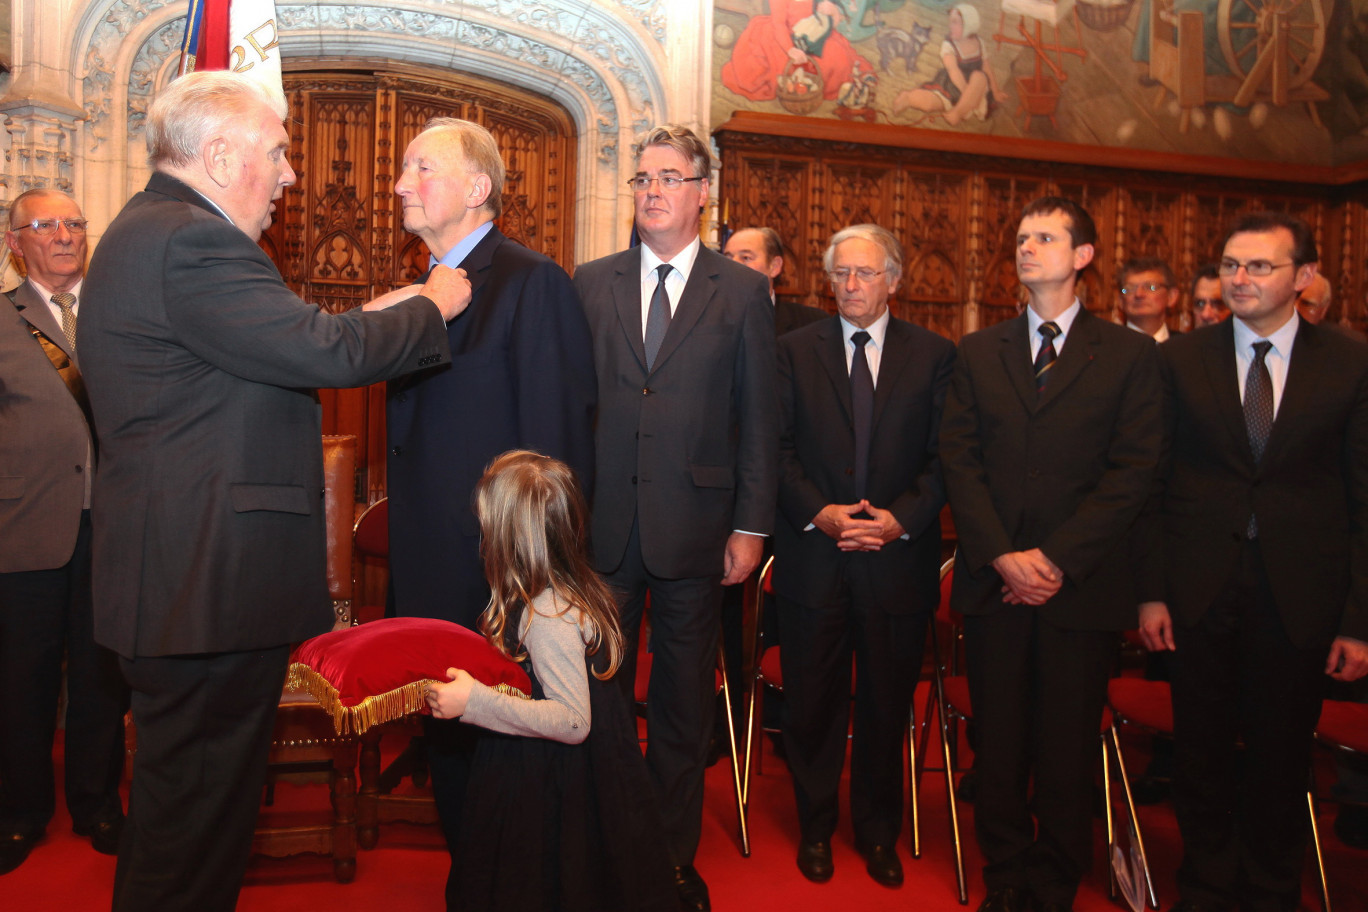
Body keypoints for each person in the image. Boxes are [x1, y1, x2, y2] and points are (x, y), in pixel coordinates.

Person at [78, 71, 469, 912]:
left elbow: (282, 348)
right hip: (201, 593)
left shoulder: (153, 234)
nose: (292, 174)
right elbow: (325, 353)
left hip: (185, 590)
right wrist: (431, 305)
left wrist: (373, 318)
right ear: (218, 156)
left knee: (186, 829)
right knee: (190, 846)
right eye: (279, 151)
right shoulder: (192, 240)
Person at [383, 118, 597, 907]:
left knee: (501, 766)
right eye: (403, 170)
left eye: (421, 168)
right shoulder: (422, 289)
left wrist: (542, 581)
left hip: (498, 583)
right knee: (450, 751)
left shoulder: (531, 282)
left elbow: (556, 450)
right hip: (429, 569)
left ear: (478, 188)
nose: (402, 184)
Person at [1136, 212, 1368, 912]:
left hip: (1301, 595)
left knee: (1281, 756)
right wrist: (1149, 594)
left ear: (1302, 278)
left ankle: (1271, 890)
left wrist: (1359, 621)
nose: (1240, 279)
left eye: (1259, 267)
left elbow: (1364, 496)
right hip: (1197, 588)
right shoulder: (1180, 359)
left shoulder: (1351, 361)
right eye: (1231, 265)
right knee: (1199, 755)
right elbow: (1150, 483)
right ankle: (1204, 887)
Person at [574, 123, 778, 912]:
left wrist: (752, 526)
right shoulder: (591, 282)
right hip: (605, 527)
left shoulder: (740, 291)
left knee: (684, 704)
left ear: (701, 193)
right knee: (600, 695)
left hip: (700, 530)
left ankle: (668, 861)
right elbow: (575, 404)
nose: (651, 190)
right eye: (641, 178)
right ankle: (607, 842)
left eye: (668, 177)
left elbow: (760, 418)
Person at [940, 197, 1162, 912]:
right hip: (996, 584)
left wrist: (1055, 560)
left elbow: (1133, 471)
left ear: (1084, 256)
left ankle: (1056, 874)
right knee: (999, 743)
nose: (1026, 248)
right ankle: (1005, 870)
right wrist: (1004, 557)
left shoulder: (1126, 354)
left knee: (1067, 745)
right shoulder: (980, 350)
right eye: (1021, 238)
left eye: (1044, 237)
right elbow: (960, 462)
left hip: (1081, 588)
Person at [773, 223, 955, 887]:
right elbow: (776, 448)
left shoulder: (935, 356)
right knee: (812, 705)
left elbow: (946, 458)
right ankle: (815, 828)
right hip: (814, 559)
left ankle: (879, 832)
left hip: (896, 564)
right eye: (841, 274)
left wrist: (899, 520)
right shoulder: (793, 351)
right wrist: (815, 513)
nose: (851, 286)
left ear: (894, 281)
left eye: (865, 274)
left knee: (884, 705)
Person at [424, 450, 675, 912]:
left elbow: (573, 720)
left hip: (549, 783)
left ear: (509, 538)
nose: (481, 540)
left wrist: (474, 702)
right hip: (564, 773)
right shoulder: (564, 590)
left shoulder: (547, 614)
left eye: (487, 529)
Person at [0, 189, 128, 874]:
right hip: (22, 530)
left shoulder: (115, 318)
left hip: (112, 529)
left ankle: (97, 803)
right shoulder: (1, 318)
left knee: (104, 677)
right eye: (46, 225)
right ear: (15, 241)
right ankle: (19, 813)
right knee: (22, 679)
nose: (65, 235)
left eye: (75, 223)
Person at [893, 4, 1003, 126]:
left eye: (955, 22)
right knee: (930, 103)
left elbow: (986, 66)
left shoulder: (979, 42)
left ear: (969, 24)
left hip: (977, 86)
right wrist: (966, 95)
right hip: (952, 84)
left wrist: (996, 91)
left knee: (979, 76)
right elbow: (953, 70)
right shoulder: (949, 45)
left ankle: (957, 112)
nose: (950, 26)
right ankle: (908, 98)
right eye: (950, 22)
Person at [723, 225, 828, 335]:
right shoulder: (708, 319)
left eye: (746, 258)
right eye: (727, 258)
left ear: (774, 266)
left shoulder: (812, 323)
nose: (732, 265)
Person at [1119, 256, 1180, 341]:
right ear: (1120, 300)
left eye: (1150, 287)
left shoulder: (1188, 347)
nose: (1138, 294)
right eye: (1129, 289)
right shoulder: (1106, 347)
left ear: (1171, 296)